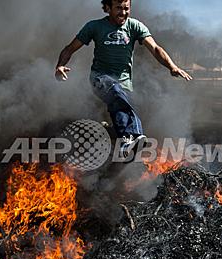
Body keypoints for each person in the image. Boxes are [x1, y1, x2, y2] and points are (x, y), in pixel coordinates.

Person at [55, 0, 192, 158]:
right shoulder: (94, 27)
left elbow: (155, 48)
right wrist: (60, 66)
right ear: (107, 8)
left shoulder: (134, 26)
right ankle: (131, 137)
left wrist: (172, 66)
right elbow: (69, 48)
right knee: (117, 95)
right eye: (118, 8)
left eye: (126, 8)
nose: (123, 12)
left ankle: (116, 142)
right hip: (99, 79)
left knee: (121, 112)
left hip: (124, 84)